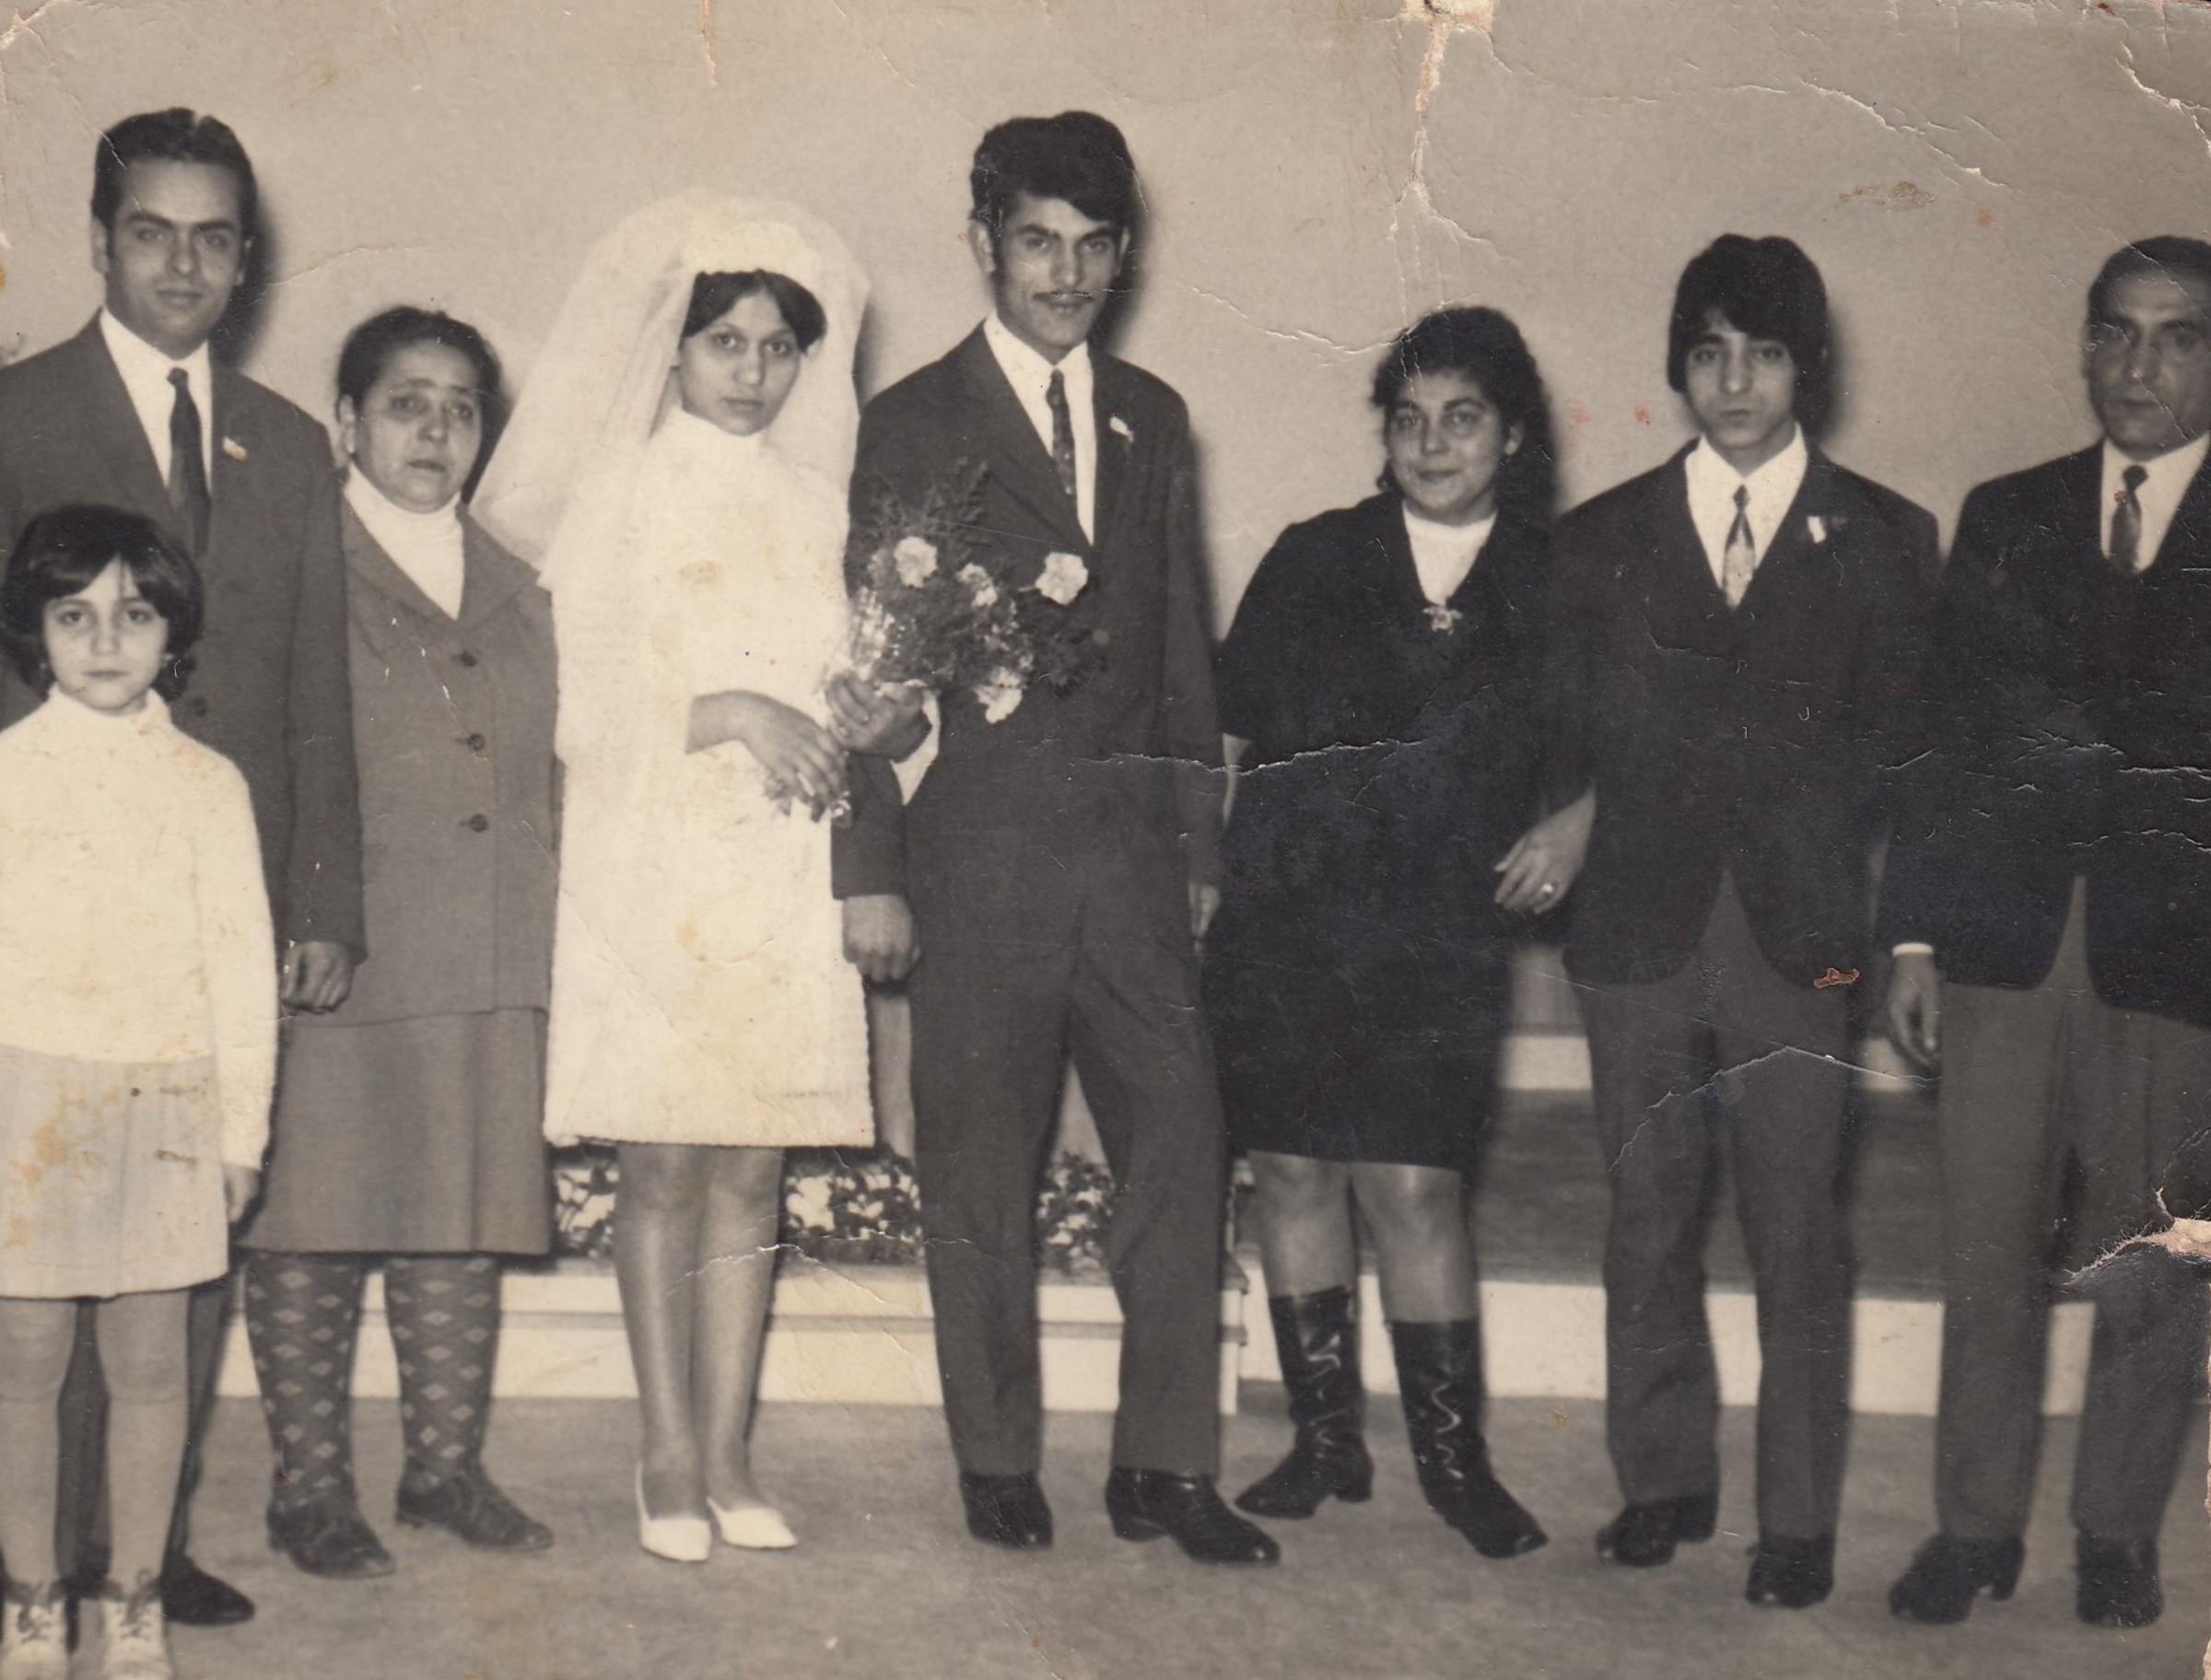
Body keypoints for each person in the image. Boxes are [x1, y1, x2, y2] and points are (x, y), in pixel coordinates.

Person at [842, 111, 1276, 1567]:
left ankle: (1165, 1463)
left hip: (1136, 865)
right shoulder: (910, 421)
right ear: (984, 245)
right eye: (1037, 243)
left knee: (1183, 1146)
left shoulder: (1153, 415)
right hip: (980, 862)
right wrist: (873, 872)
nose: (1066, 275)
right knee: (981, 1172)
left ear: (1124, 254)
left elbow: (1180, 648)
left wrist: (1200, 849)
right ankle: (996, 1456)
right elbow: (868, 672)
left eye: (1094, 247)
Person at [474, 193, 903, 1565]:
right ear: (673, 346)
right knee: (665, 1159)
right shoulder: (622, 491)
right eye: (727, 342)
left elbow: (852, 680)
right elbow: (570, 699)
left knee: (751, 1165)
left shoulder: (818, 502)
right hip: (654, 851)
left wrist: (868, 713)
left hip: (778, 858)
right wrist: (729, 711)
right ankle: (664, 1452)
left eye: (778, 348)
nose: (753, 371)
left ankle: (731, 1452)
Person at [1512, 235, 1932, 1608]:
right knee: (1647, 1214)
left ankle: (1795, 1517)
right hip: (1638, 928)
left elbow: (1904, 758)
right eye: (1708, 354)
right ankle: (1662, 1479)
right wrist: (1586, 808)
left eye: (1763, 355)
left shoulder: (1885, 538)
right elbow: (1559, 735)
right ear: (1677, 368)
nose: (1735, 383)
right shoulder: (1599, 540)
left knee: (1797, 1228)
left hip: (1795, 931)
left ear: (1811, 368)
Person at [0, 107, 359, 1630]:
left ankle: (142, 1544)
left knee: (174, 1250)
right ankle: (39, 1551)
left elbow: (317, 684)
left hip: (223, 869)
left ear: (247, 258)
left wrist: (324, 894)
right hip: (53, 884)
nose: (183, 265)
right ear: (101, 240)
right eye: (153, 232)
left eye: (215, 239)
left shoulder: (286, 440)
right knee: (31, 1287)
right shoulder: (17, 411)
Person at [1878, 236, 2211, 1632]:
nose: (2141, 365)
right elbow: (1942, 740)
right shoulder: (2006, 515)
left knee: (2157, 1259)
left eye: (2179, 337)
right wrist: (1910, 939)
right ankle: (1974, 1527)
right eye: (2117, 332)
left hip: (2178, 955)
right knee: (1986, 1249)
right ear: (2083, 345)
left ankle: (2116, 1534)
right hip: (2004, 939)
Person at [1202, 308, 1553, 1560]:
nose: (1432, 444)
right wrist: (1204, 876)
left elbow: (1623, 742)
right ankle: (1323, 1441)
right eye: (1408, 420)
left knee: (1414, 1187)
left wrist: (1579, 824)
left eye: (1462, 419)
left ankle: (1455, 1465)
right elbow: (1226, 732)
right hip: (1286, 919)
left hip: (1436, 937)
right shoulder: (1314, 556)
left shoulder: (1556, 581)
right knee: (1295, 1172)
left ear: (1512, 435)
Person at [235, 308, 556, 1580]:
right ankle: (308, 1492)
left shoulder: (520, 578)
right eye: (406, 403)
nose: (435, 430)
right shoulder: (298, 553)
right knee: (310, 1223)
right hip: (343, 944)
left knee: (458, 1217)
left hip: (487, 944)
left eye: (461, 407)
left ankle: (443, 1472)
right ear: (347, 422)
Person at [0, 507, 275, 1680]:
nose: (106, 641)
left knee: (154, 1364)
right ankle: (31, 1599)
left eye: (134, 614)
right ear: (36, 632)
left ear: (172, 633)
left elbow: (242, 971)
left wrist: (241, 1133)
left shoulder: (208, 785)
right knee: (23, 1358)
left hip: (168, 1102)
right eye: (75, 616)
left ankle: (135, 1597)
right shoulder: (8, 773)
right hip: (29, 1100)